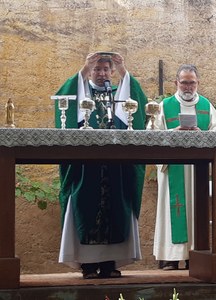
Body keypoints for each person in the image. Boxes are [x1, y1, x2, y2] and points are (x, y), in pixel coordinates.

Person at [54, 52, 147, 279]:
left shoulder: (120, 95)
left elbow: (139, 105)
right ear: (91, 71)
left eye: (106, 69)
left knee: (115, 206)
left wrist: (124, 68)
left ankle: (109, 263)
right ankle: (87, 265)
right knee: (85, 206)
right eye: (97, 69)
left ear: (112, 73)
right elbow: (62, 102)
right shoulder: (80, 91)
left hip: (116, 167)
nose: (101, 73)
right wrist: (84, 68)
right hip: (86, 167)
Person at [151, 64, 216, 270]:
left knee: (195, 211)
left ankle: (194, 257)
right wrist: (174, 131)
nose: (188, 87)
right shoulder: (165, 106)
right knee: (172, 210)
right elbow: (151, 134)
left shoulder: (206, 106)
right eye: (184, 82)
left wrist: (202, 134)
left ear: (198, 83)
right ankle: (170, 258)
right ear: (176, 83)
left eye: (192, 83)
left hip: (196, 171)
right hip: (173, 168)